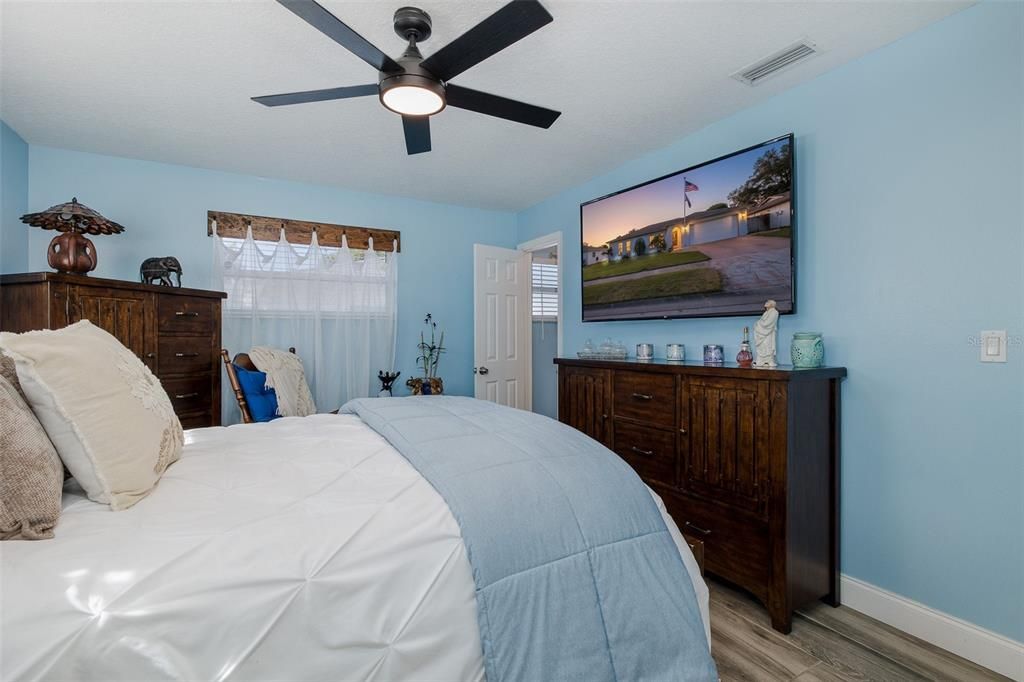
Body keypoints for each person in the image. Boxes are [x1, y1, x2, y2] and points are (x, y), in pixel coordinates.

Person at [754, 299, 779, 368]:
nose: (766, 303)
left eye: (767, 302)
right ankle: (761, 361)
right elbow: (762, 321)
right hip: (762, 333)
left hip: (768, 333)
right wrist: (758, 323)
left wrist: (758, 323)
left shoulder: (774, 312)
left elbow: (767, 323)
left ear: (771, 304)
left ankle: (769, 361)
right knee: (762, 346)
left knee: (768, 346)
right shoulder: (766, 312)